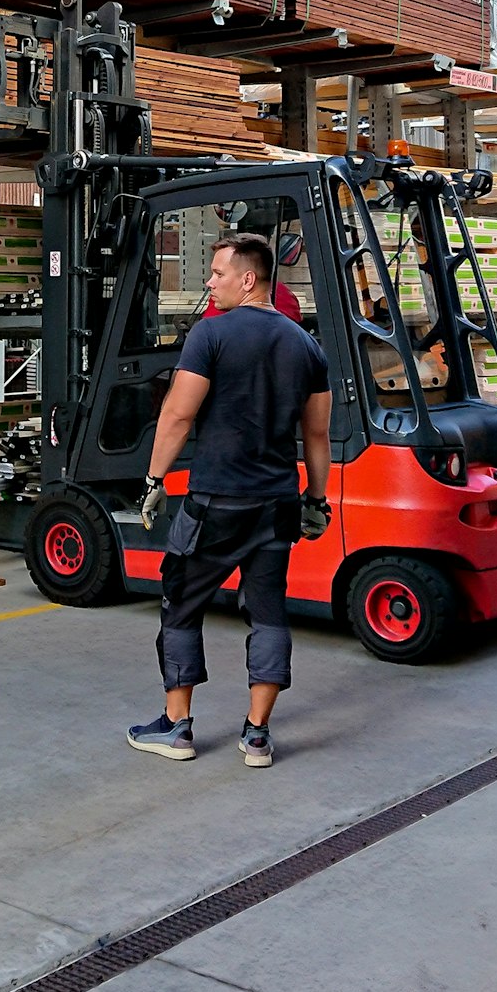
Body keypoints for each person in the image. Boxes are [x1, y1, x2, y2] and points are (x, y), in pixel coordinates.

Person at [127, 232, 332, 769]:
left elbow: (177, 415)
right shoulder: (306, 346)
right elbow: (317, 436)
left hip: (216, 501)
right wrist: (315, 498)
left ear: (248, 279)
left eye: (217, 273)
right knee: (268, 613)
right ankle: (257, 736)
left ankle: (176, 727)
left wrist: (153, 481)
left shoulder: (209, 336)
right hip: (275, 504)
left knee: (180, 603)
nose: (209, 283)